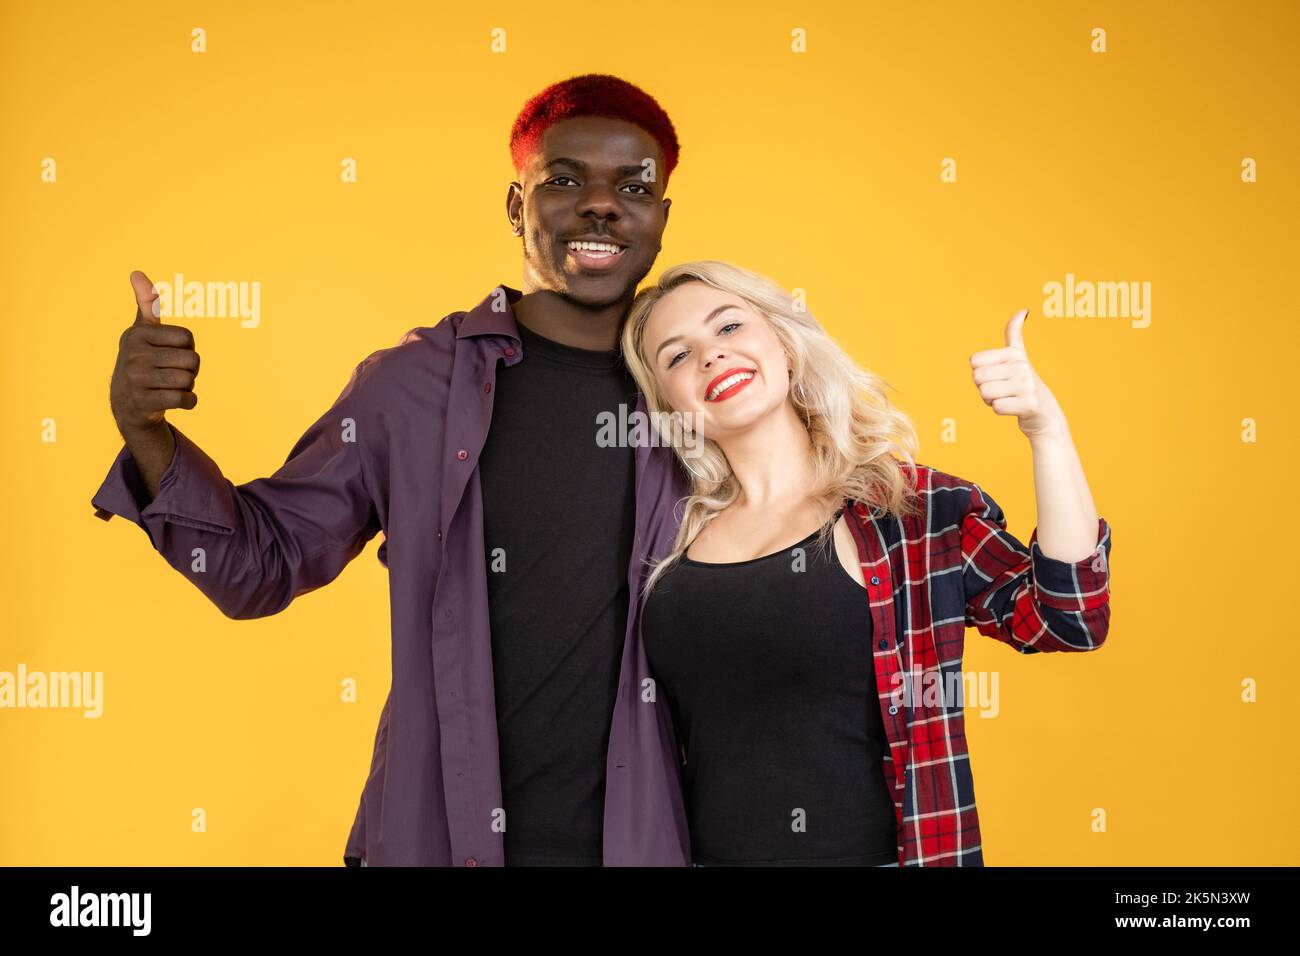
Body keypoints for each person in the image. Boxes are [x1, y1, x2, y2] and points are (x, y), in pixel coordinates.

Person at [91, 74, 698, 866]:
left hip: (652, 846)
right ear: (517, 207)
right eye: (564, 179)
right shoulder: (415, 386)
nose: (601, 205)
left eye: (632, 186)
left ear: (660, 219)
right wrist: (144, 431)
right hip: (435, 843)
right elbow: (259, 563)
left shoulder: (710, 393)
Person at [620, 260, 1114, 866]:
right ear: (667, 403)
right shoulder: (662, 538)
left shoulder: (911, 510)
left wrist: (1047, 430)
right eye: (677, 356)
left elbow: (1070, 619)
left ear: (785, 346)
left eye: (728, 328)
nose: (711, 357)